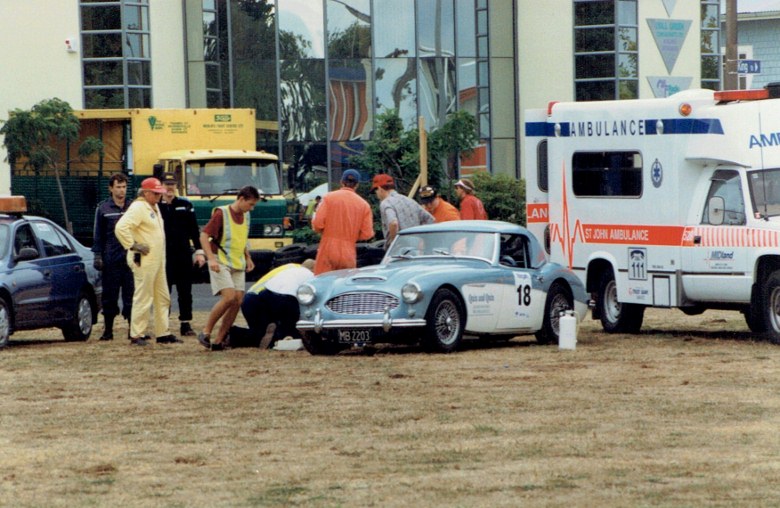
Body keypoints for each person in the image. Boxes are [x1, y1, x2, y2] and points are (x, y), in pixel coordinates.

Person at [115, 177, 178, 346]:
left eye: (160, 193)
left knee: (162, 296)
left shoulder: (154, 206)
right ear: (147, 193)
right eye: (156, 193)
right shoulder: (138, 207)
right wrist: (133, 245)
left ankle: (162, 332)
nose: (159, 196)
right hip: (144, 259)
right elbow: (121, 228)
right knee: (144, 296)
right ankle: (137, 334)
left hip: (157, 259)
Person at [197, 186, 259, 351]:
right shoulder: (221, 214)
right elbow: (204, 236)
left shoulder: (246, 216)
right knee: (229, 297)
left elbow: (242, 237)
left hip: (237, 262)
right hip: (220, 260)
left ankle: (219, 340)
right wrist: (210, 259)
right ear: (241, 199)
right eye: (250, 204)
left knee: (238, 299)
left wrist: (248, 257)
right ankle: (206, 331)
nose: (251, 208)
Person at [158, 172, 206, 337]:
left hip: (183, 254)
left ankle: (185, 323)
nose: (169, 188)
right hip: (164, 255)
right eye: (166, 184)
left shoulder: (185, 204)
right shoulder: (156, 206)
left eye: (172, 184)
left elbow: (194, 230)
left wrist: (199, 252)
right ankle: (163, 325)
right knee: (164, 291)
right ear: (161, 186)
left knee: (185, 291)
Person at [230, 259, 316, 349]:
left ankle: (234, 335)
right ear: (313, 269)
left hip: (258, 297)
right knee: (289, 330)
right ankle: (283, 338)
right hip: (284, 297)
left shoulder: (288, 268)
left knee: (259, 333)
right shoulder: (310, 275)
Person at [92, 173, 134, 340]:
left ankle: (134, 330)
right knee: (109, 296)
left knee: (131, 296)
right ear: (111, 188)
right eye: (118, 187)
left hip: (130, 258)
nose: (121, 190)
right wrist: (97, 255)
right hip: (111, 259)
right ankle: (108, 331)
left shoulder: (133, 207)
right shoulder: (103, 208)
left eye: (124, 187)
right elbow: (98, 235)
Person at [311, 169, 374, 275]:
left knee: (322, 284)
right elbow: (367, 234)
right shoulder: (364, 205)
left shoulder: (328, 198)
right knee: (344, 287)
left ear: (341, 181)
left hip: (328, 249)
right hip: (348, 252)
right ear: (357, 185)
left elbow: (317, 224)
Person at [371, 174, 434, 248]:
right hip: (417, 248)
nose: (376, 194)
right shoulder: (409, 201)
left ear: (380, 188)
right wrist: (423, 240)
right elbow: (430, 219)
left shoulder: (386, 203)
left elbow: (393, 223)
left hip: (400, 250)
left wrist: (394, 243)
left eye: (376, 191)